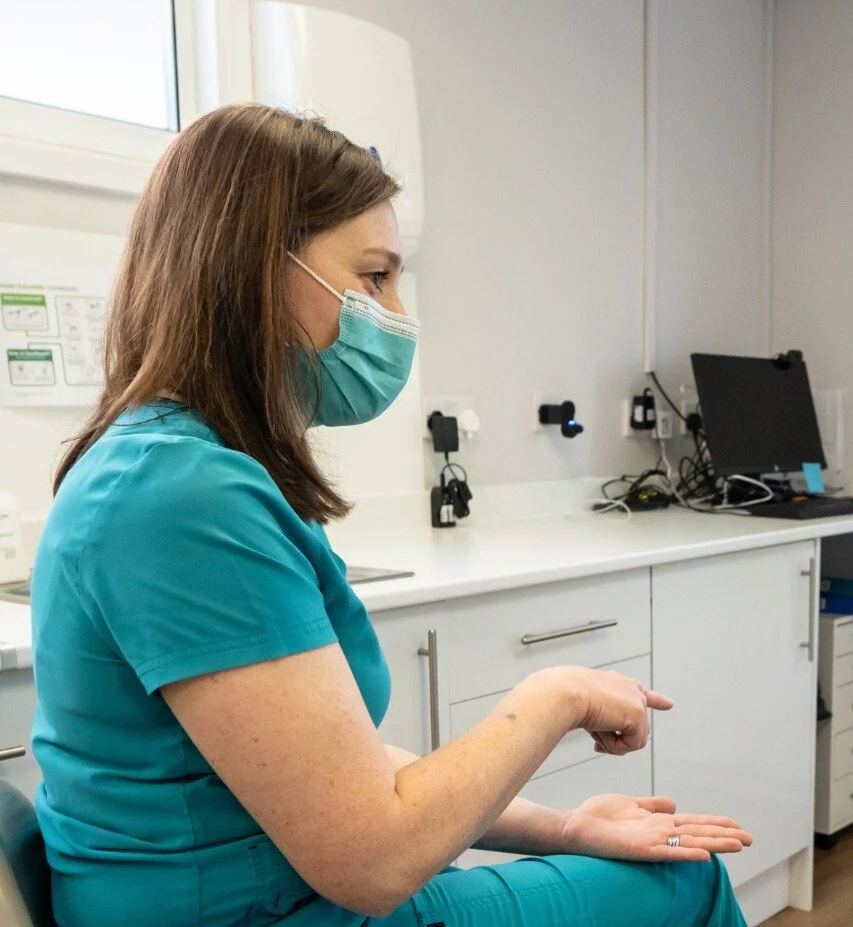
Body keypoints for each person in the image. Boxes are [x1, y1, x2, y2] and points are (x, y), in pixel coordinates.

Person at [28, 103, 751, 927]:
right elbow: (372, 861)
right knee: (689, 885)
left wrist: (566, 827)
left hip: (264, 894)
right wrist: (559, 694)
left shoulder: (172, 467)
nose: (397, 313)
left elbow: (336, 775)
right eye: (374, 277)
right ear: (256, 270)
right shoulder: (183, 499)